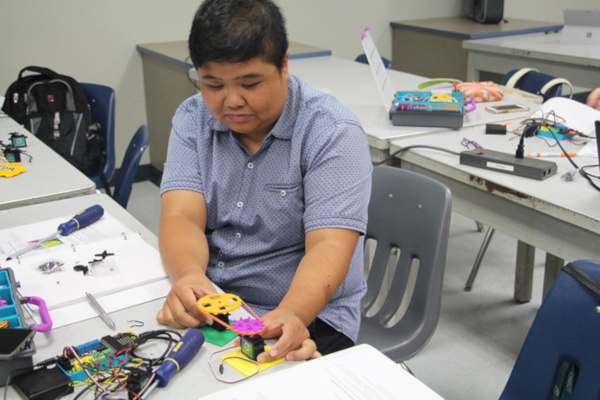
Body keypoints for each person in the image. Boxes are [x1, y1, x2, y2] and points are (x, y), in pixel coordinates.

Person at [157, 0, 372, 363]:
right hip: (218, 302)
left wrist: (293, 313)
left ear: (284, 65)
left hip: (306, 313)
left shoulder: (332, 133)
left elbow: (329, 246)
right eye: (212, 84)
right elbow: (181, 216)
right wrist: (190, 277)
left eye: (250, 83)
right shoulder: (193, 118)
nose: (232, 101)